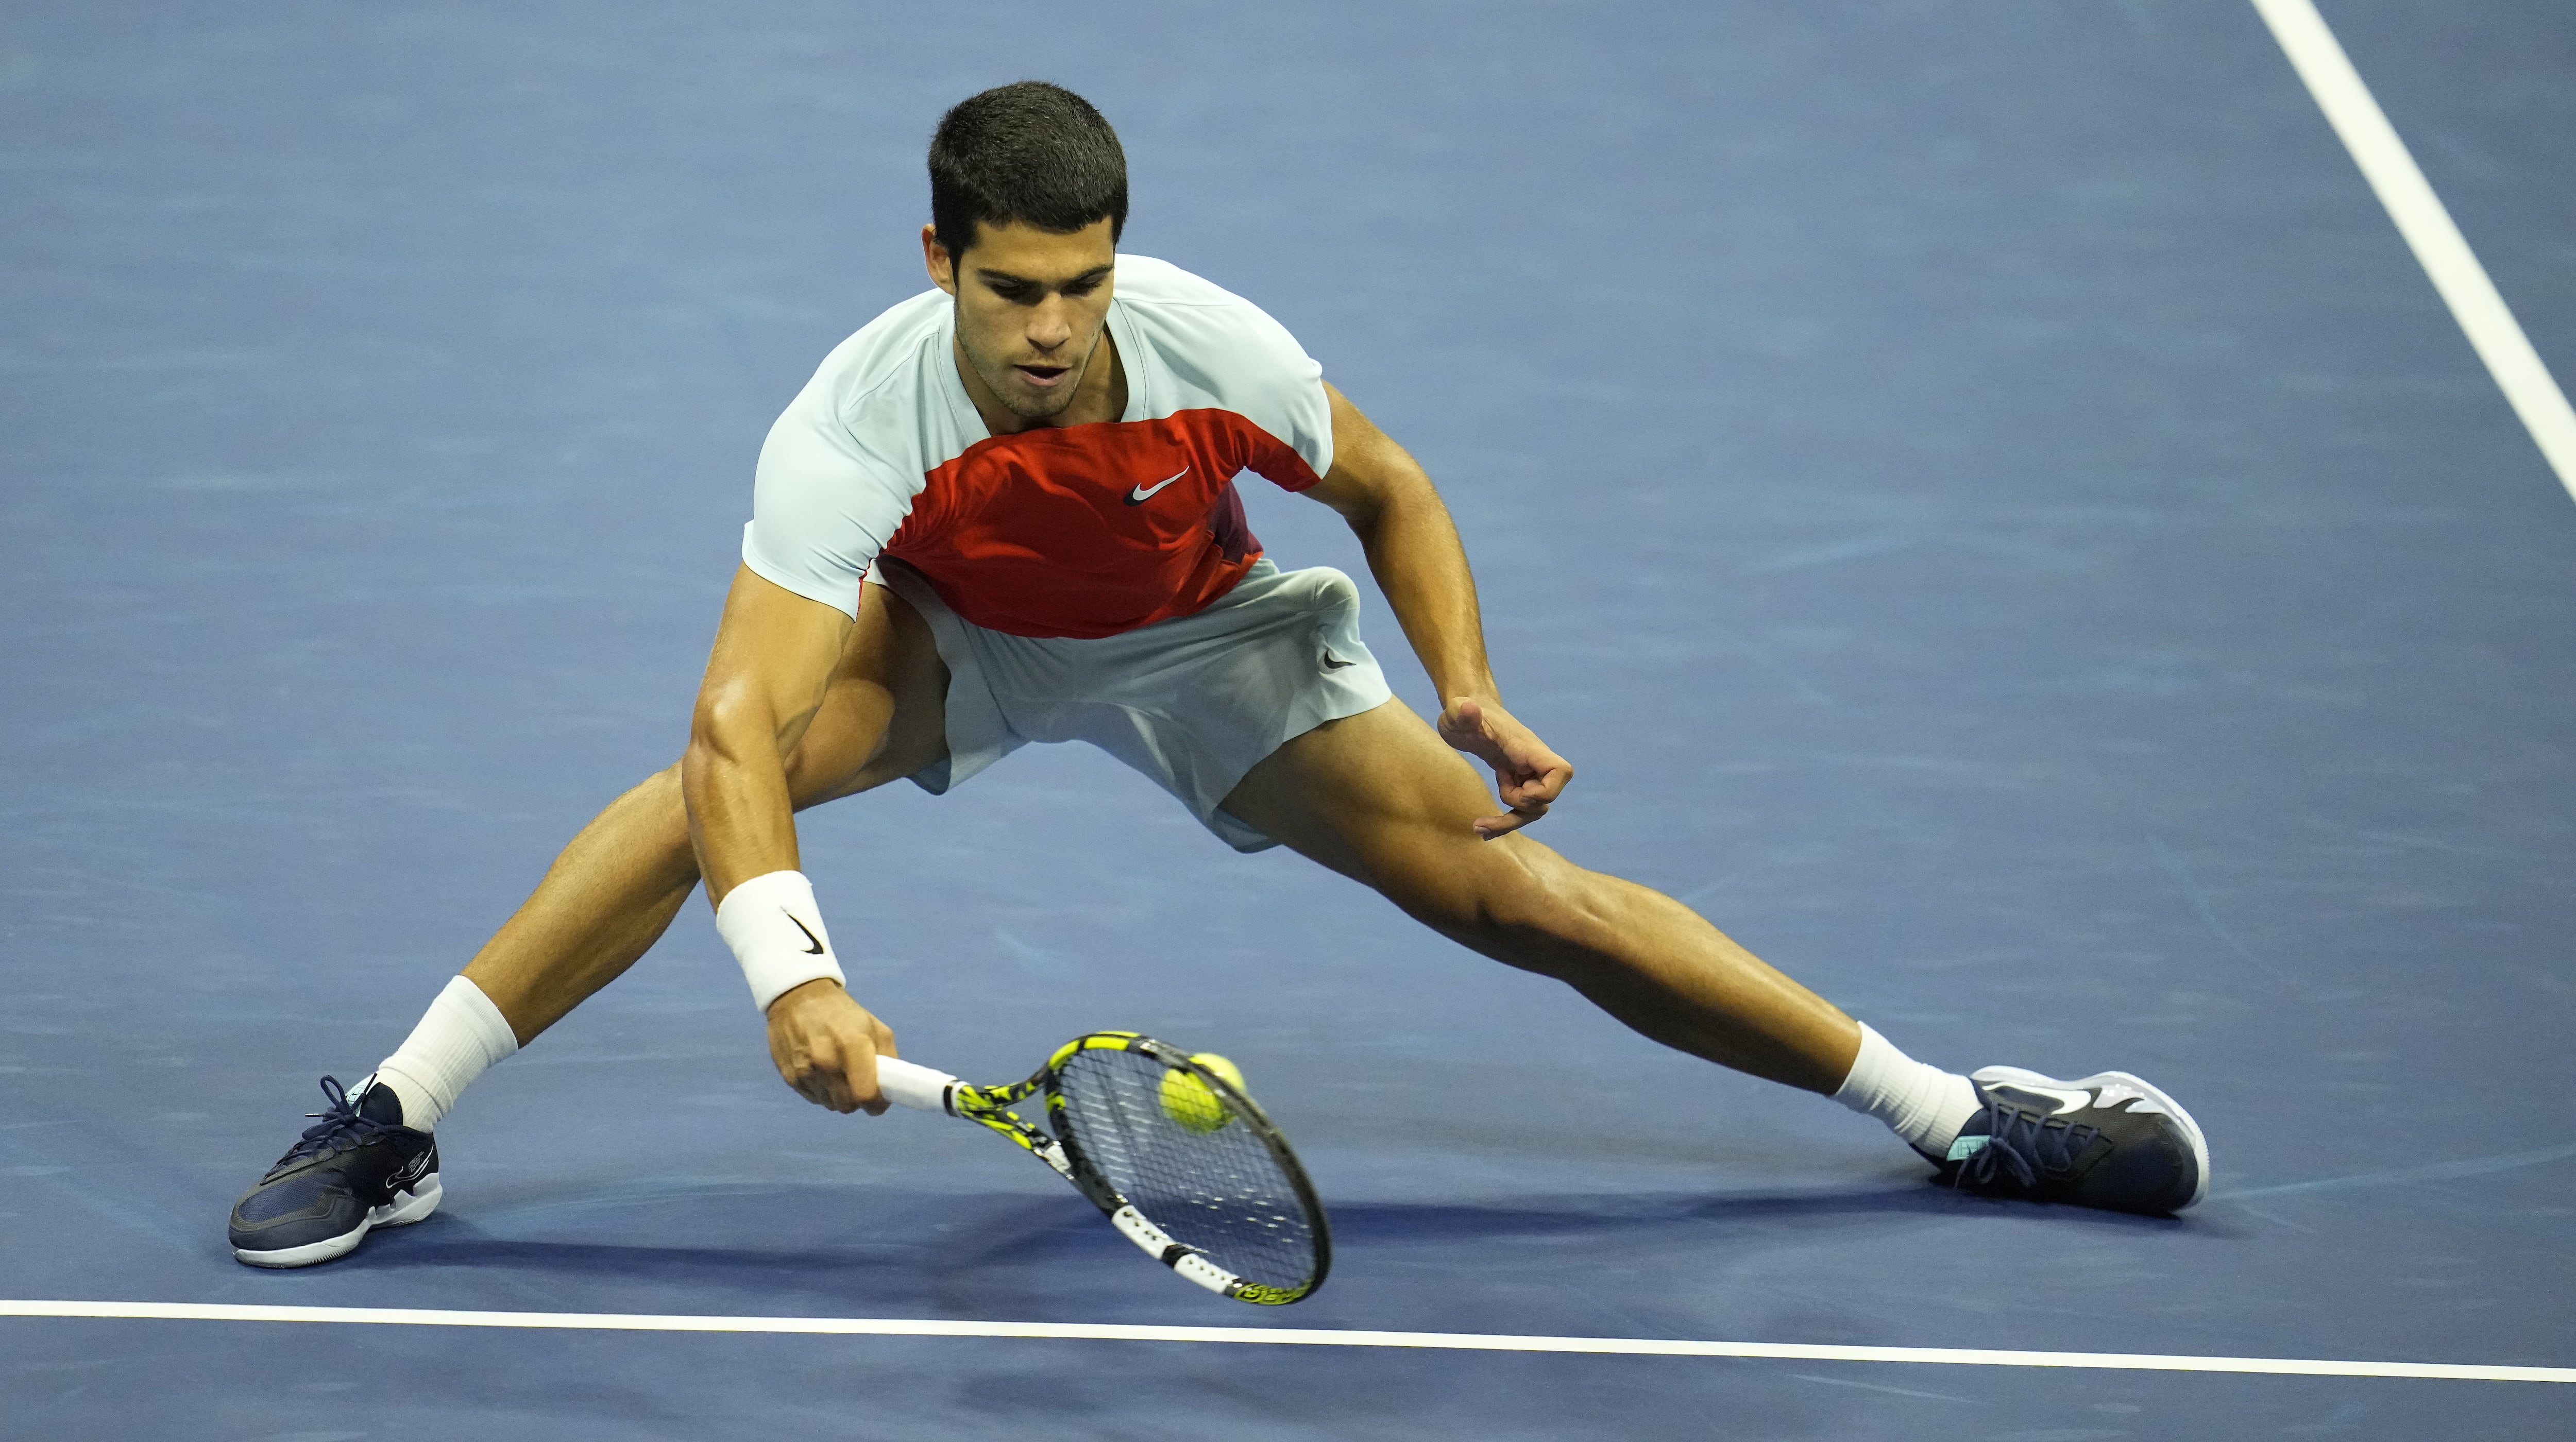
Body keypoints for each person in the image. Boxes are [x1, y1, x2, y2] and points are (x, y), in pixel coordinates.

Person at [227, 81, 2208, 1270]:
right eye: (1014, 287)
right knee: (691, 809)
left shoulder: (1209, 347)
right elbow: (733, 721)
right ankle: (394, 1115)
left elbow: (1395, 488)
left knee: (1522, 895)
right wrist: (796, 971)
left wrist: (1471, 686)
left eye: (1085, 281)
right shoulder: (852, 423)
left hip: (1210, 651)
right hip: (960, 651)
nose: (1056, 328)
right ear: (939, 258)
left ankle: (1965, 1115)